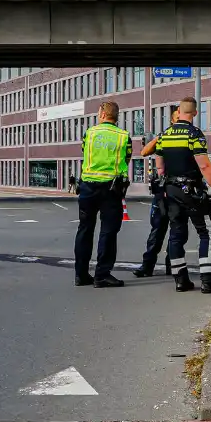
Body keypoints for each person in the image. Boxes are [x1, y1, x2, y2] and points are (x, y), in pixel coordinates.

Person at [155, 98, 211, 294]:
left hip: (171, 189)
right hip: (192, 191)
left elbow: (160, 165)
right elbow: (204, 165)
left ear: (178, 111)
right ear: (195, 113)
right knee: (206, 232)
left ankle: (181, 280)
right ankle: (208, 280)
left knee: (176, 234)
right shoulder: (194, 134)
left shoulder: (165, 134)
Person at [74, 101, 133, 288]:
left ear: (102, 114)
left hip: (88, 187)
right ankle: (102, 275)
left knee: (85, 230)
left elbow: (84, 152)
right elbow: (127, 157)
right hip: (111, 189)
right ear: (116, 116)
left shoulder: (89, 133)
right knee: (108, 232)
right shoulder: (124, 136)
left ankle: (81, 275)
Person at [134, 110, 180, 278]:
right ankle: (148, 266)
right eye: (176, 117)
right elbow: (145, 152)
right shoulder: (165, 137)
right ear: (172, 120)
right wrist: (159, 137)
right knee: (157, 230)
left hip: (178, 190)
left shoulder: (190, 135)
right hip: (163, 191)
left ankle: (172, 265)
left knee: (176, 231)